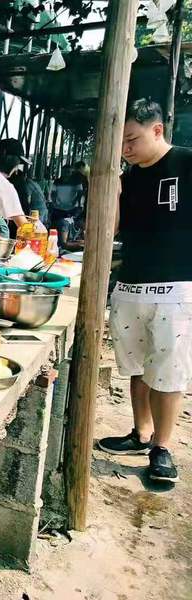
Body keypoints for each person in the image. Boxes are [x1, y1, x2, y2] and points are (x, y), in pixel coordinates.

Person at [98, 99, 192, 483]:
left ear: (157, 130)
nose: (127, 150)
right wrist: (108, 184)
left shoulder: (186, 164)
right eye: (121, 144)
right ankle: (141, 433)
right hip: (131, 285)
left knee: (168, 370)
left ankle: (163, 448)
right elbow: (114, 229)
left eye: (132, 140)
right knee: (138, 367)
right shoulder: (127, 177)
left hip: (177, 286)